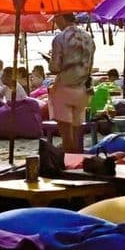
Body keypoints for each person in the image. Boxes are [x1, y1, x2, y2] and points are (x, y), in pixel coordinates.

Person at [48, 13, 95, 153]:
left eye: (56, 20)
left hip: (65, 88)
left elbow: (55, 68)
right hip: (83, 89)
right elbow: (90, 65)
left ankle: (69, 163)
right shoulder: (89, 38)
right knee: (76, 135)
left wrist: (49, 60)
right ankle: (76, 161)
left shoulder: (60, 38)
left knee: (67, 137)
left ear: (61, 18)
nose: (56, 24)